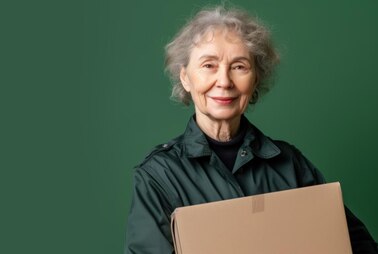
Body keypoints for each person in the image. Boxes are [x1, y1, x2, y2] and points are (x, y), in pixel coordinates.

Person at [124, 5, 378, 254]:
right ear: (185, 77)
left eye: (239, 66)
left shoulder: (290, 164)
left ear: (255, 78)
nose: (224, 81)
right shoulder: (158, 176)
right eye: (209, 65)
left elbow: (351, 243)